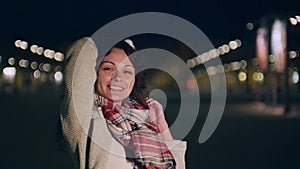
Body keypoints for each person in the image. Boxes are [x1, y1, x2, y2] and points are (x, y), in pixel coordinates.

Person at [60, 37, 186, 169]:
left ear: (134, 79)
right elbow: (81, 52)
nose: (118, 77)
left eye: (127, 71)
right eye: (108, 68)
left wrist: (162, 125)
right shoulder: (87, 119)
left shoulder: (143, 120)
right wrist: (110, 39)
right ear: (95, 73)